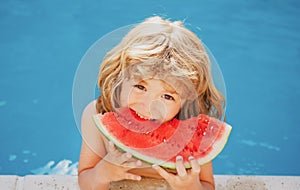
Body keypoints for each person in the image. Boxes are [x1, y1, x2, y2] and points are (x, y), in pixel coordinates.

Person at [78, 16, 225, 190]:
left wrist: (191, 186)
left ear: (186, 102)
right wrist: (102, 173)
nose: (148, 106)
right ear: (119, 77)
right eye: (140, 87)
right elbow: (85, 180)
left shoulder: (192, 132)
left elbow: (208, 185)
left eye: (167, 97)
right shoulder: (96, 114)